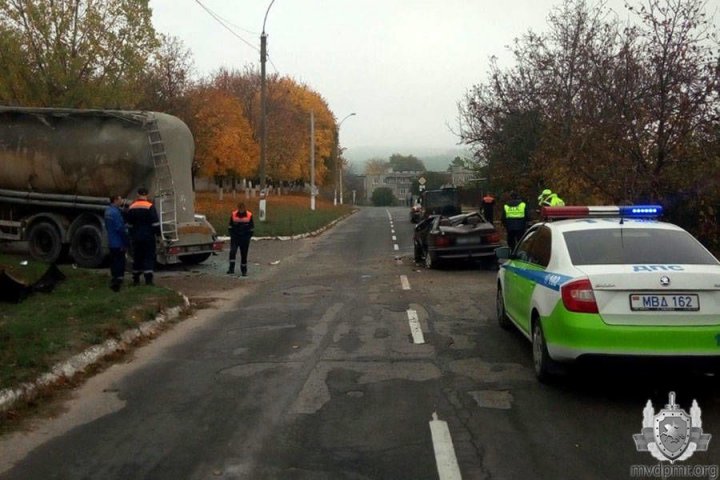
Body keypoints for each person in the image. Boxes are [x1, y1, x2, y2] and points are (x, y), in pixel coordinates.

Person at [125, 187, 160, 286]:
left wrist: (131, 235)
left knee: (137, 257)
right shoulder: (150, 206)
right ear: (147, 195)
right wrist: (158, 235)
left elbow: (129, 224)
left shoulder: (132, 207)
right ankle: (148, 280)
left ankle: (136, 279)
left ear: (137, 194)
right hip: (148, 237)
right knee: (148, 257)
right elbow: (155, 224)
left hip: (136, 237)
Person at [104, 194, 129, 292]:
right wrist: (125, 241)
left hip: (111, 240)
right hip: (118, 241)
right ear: (115, 200)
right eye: (120, 199)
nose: (122, 201)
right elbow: (120, 228)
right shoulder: (116, 212)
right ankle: (118, 281)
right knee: (120, 261)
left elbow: (107, 226)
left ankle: (114, 278)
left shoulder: (107, 211)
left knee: (114, 261)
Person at [227, 202, 254, 276]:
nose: (241, 210)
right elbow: (230, 227)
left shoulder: (249, 215)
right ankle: (231, 269)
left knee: (244, 255)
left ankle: (244, 270)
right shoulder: (233, 214)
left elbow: (251, 228)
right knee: (232, 252)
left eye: (242, 209)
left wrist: (248, 237)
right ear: (238, 208)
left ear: (244, 208)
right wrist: (232, 235)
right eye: (240, 209)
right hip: (235, 238)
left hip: (244, 238)